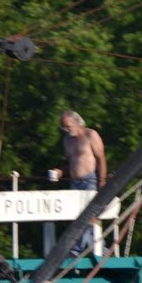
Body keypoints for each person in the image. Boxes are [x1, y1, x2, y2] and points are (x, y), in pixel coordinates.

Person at [60, 109, 107, 254]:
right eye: (64, 127)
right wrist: (60, 171)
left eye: (68, 126)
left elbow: (101, 159)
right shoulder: (67, 140)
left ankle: (78, 249)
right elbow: (70, 162)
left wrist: (102, 181)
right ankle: (100, 249)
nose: (66, 130)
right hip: (74, 183)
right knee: (77, 218)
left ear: (77, 122)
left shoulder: (90, 135)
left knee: (88, 217)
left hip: (89, 181)